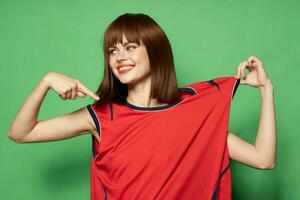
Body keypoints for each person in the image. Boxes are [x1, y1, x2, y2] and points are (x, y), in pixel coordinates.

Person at [7, 13, 276, 199]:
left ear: (155, 52)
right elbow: (21, 133)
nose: (120, 57)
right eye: (113, 50)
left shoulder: (195, 115)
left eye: (131, 47)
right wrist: (46, 82)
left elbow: (263, 159)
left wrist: (266, 90)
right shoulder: (102, 116)